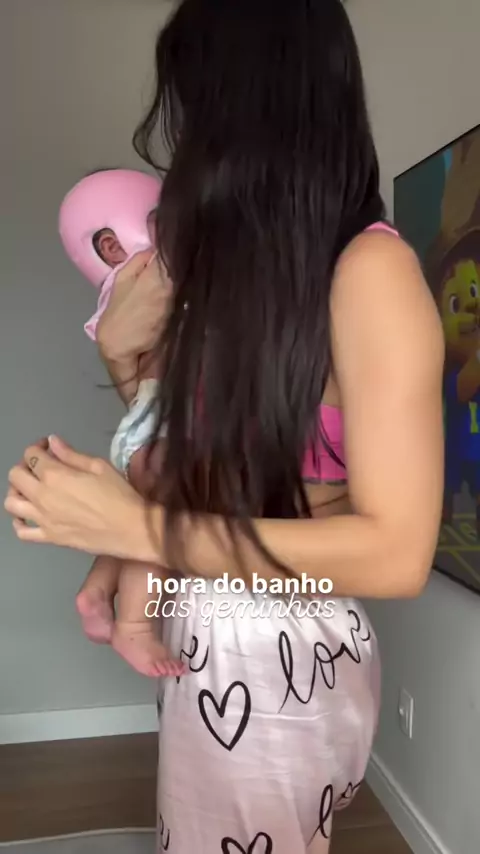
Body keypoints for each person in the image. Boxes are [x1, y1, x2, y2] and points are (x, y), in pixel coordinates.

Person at [6, 0, 444, 851]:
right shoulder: (243, 284)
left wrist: (135, 529)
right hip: (203, 621)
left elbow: (397, 553)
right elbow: (197, 458)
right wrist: (125, 364)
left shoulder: (371, 273)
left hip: (278, 649)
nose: (184, 152)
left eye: (196, 114)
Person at [59, 169, 183, 677]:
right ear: (112, 246)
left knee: (138, 515)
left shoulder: (123, 290)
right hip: (160, 423)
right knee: (157, 523)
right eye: (160, 222)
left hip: (150, 419)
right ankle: (134, 625)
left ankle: (98, 587)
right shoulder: (146, 275)